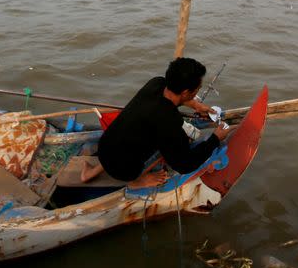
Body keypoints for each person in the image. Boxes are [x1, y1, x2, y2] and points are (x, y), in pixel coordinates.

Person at [82, 57, 232, 188]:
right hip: (124, 171)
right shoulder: (169, 121)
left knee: (131, 138)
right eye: (197, 88)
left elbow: (173, 98)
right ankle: (136, 182)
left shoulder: (156, 83)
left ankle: (89, 173)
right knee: (167, 150)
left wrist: (196, 105)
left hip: (106, 147)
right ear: (186, 92)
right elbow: (185, 165)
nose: (198, 91)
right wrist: (215, 138)